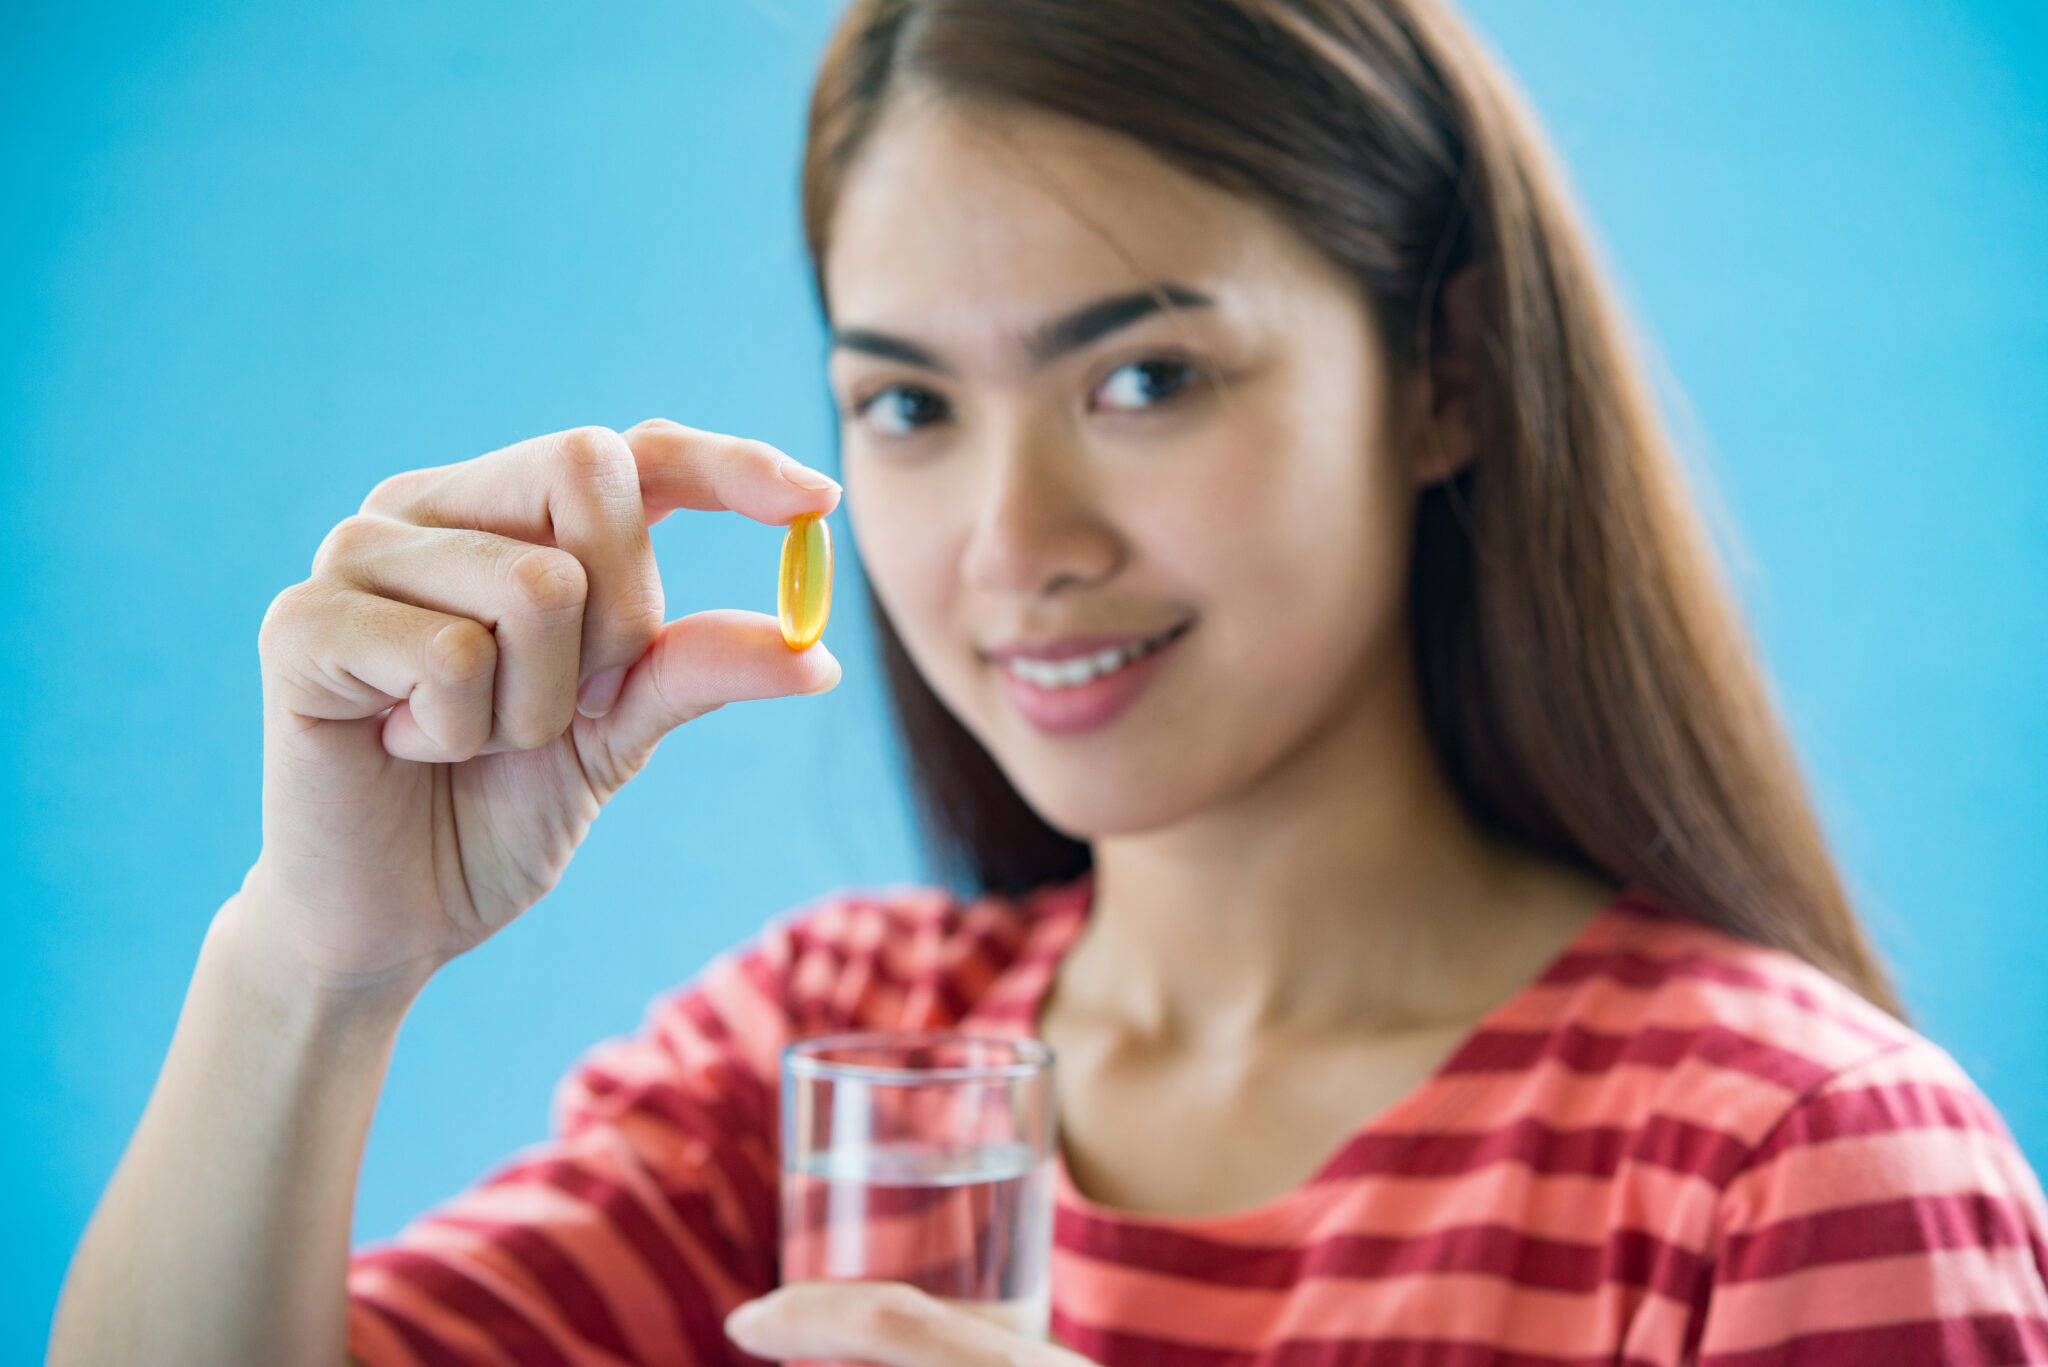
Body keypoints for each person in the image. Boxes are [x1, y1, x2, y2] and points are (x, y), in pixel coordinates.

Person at [49, 0, 2048, 1363]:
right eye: (907, 402)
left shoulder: (1795, 1163)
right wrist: (317, 958)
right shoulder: (817, 1071)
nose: (1010, 543)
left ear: (1442, 377)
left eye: (1144, 376)